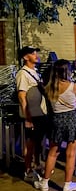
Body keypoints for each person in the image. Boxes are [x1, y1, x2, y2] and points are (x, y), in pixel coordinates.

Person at [34, 59, 76, 191]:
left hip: (57, 120)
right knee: (71, 154)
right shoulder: (74, 86)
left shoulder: (49, 87)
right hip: (72, 119)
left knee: (53, 152)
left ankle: (44, 182)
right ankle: (67, 184)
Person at [16, 46, 49, 182]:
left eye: (36, 53)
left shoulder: (35, 71)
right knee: (30, 143)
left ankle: (37, 165)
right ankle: (28, 171)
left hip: (39, 113)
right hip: (31, 115)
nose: (36, 55)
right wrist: (27, 117)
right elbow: (22, 96)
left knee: (38, 141)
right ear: (25, 57)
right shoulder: (23, 74)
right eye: (32, 53)